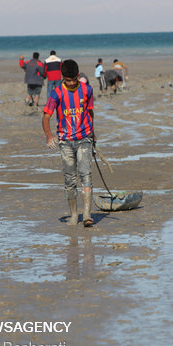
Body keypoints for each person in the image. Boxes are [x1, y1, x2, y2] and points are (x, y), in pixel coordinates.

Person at [42, 59, 95, 227]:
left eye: (74, 80)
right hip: (65, 142)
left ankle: (86, 214)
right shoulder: (56, 93)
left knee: (85, 174)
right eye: (68, 80)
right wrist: (49, 135)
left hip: (84, 139)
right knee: (70, 179)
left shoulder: (87, 90)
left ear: (78, 76)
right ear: (62, 77)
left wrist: (94, 134)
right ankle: (74, 215)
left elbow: (90, 112)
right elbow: (46, 117)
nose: (71, 83)